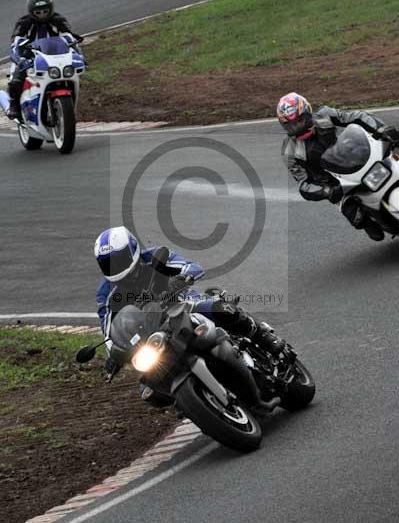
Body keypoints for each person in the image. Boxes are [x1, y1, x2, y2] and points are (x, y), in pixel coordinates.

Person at [94, 226, 286, 389]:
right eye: (107, 264)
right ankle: (194, 400)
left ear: (132, 250)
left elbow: (192, 267)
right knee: (148, 388)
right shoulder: (106, 292)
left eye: (118, 260)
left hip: (183, 305)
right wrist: (113, 354)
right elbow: (109, 329)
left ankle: (263, 336)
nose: (115, 267)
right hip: (153, 331)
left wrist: (180, 279)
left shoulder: (154, 257)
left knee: (220, 309)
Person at [277, 92, 399, 241]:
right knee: (356, 216)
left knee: (394, 147)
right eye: (290, 125)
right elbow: (303, 183)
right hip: (336, 183)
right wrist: (326, 190)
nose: (296, 127)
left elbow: (357, 117)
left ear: (308, 113)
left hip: (356, 154)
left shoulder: (325, 114)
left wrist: (380, 129)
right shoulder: (289, 151)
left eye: (299, 121)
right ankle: (368, 223)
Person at [7, 0, 83, 120]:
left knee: (74, 73)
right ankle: (14, 106)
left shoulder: (59, 20)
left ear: (51, 9)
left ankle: (70, 105)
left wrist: (79, 56)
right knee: (16, 80)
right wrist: (19, 56)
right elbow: (16, 40)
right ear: (32, 11)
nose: (42, 15)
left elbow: (69, 37)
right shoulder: (24, 22)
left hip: (55, 55)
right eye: (38, 12)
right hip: (29, 55)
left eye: (45, 11)